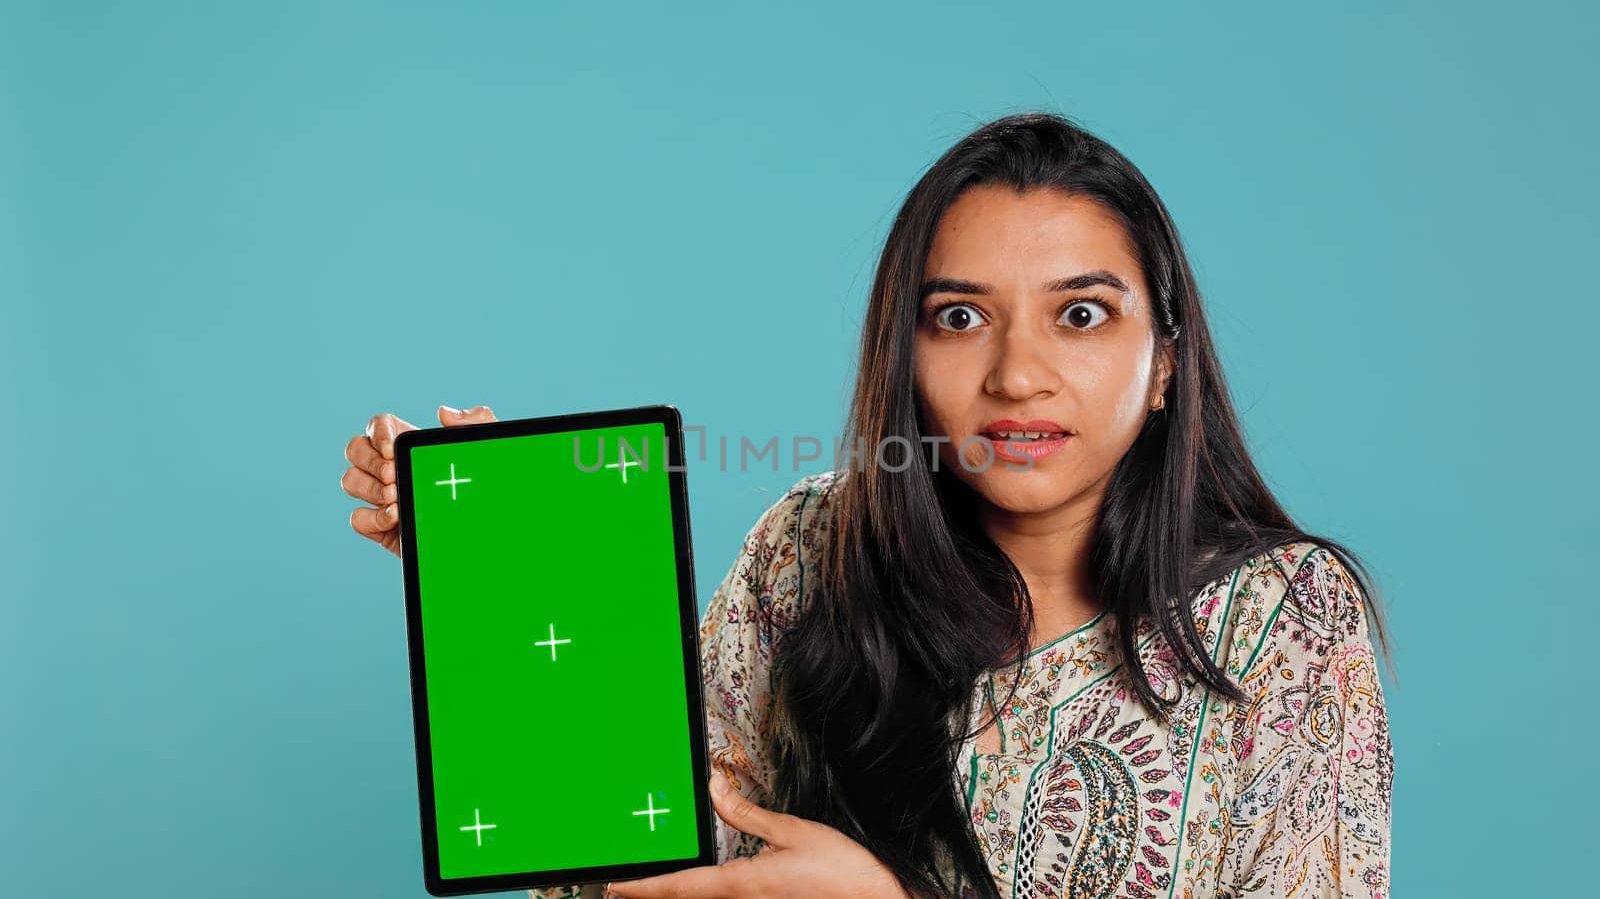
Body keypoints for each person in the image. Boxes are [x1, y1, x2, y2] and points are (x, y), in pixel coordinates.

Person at [342, 112, 1393, 899]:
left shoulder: (1283, 618)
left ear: (1164, 359)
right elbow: (611, 871)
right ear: (905, 349)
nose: (1017, 374)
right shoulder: (810, 551)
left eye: (1080, 314)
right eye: (958, 316)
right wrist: (504, 576)